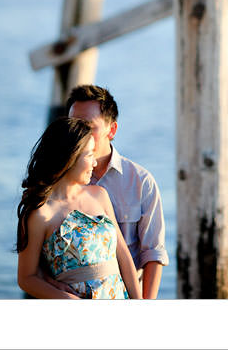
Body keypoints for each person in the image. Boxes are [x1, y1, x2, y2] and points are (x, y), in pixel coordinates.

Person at [16, 117, 142, 299]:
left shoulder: (99, 195)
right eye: (90, 155)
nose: (95, 163)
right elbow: (26, 278)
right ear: (70, 157)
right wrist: (70, 301)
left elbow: (123, 256)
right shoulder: (40, 213)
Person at [64, 84, 169, 298]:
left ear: (111, 130)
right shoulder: (59, 182)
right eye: (73, 124)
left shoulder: (141, 182)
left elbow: (153, 253)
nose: (78, 133)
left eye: (87, 126)